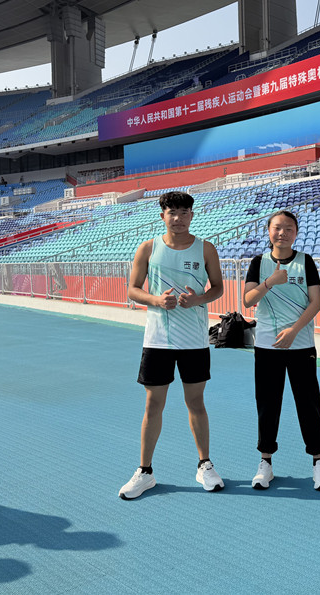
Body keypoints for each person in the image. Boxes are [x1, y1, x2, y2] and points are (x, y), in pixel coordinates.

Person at [118, 191, 225, 500]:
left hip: (194, 341)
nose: (178, 218)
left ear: (192, 215)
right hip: (158, 341)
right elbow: (133, 290)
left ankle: (205, 465)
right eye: (172, 212)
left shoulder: (206, 248)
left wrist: (198, 299)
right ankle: (145, 472)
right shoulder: (148, 248)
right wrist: (156, 300)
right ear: (162, 215)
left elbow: (217, 287)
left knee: (196, 402)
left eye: (183, 212)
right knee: (153, 405)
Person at [242, 210, 320, 491]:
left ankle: (318, 461)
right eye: (277, 228)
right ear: (269, 231)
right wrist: (269, 282)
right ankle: (265, 461)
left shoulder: (306, 261)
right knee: (268, 403)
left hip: (300, 344)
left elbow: (316, 302)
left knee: (308, 403)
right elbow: (247, 300)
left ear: (296, 232)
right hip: (267, 345)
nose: (283, 233)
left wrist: (293, 331)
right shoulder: (259, 262)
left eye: (289, 228)